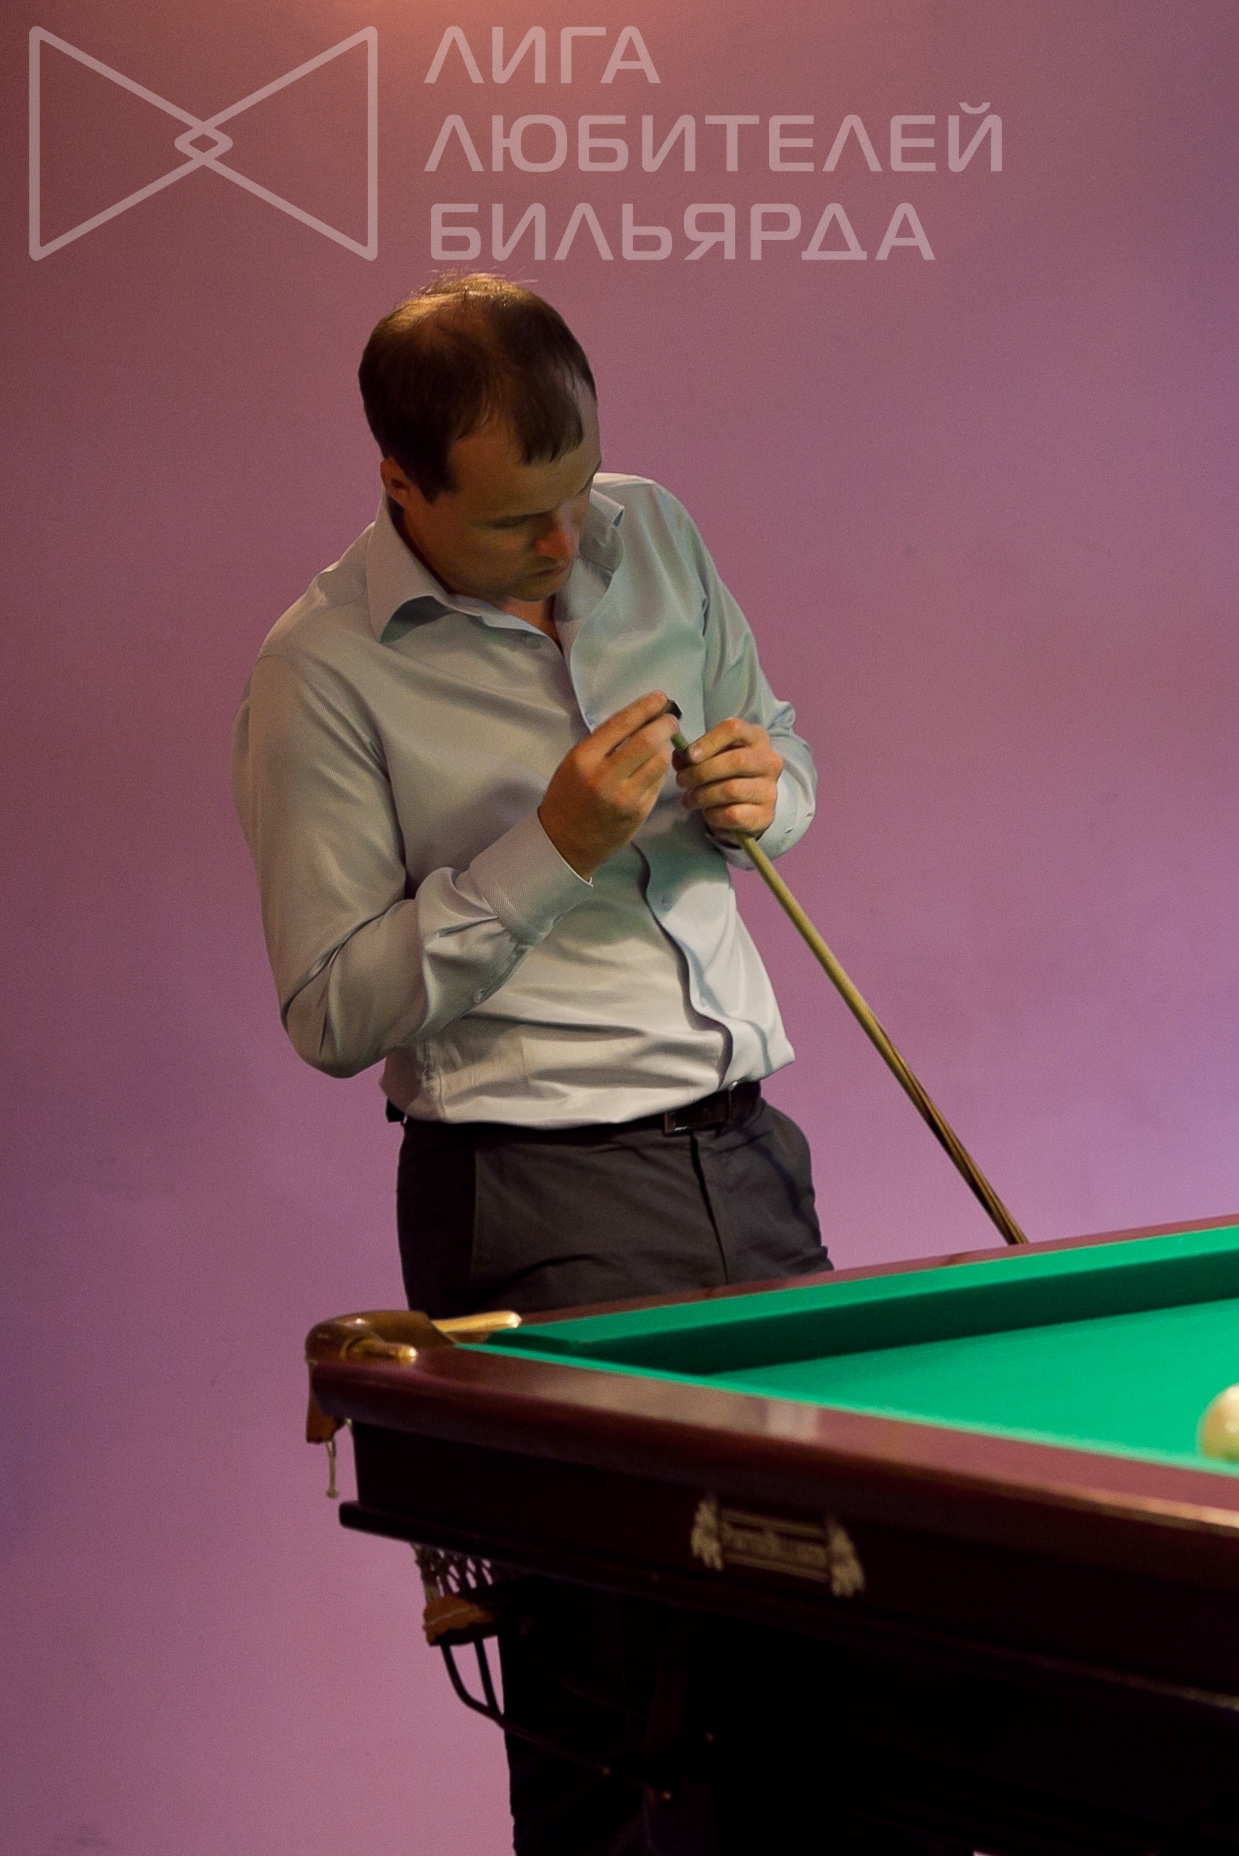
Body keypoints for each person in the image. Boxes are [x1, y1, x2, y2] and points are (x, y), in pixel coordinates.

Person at [233, 274, 835, 1853]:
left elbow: (778, 742)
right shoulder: (320, 671)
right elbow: (329, 1009)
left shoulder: (657, 531)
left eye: (577, 496)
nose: (569, 544)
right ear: (403, 484)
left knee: (826, 1674)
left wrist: (773, 790)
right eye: (517, 522)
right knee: (613, 1711)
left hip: (750, 1158)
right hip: (537, 1195)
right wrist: (546, 851)